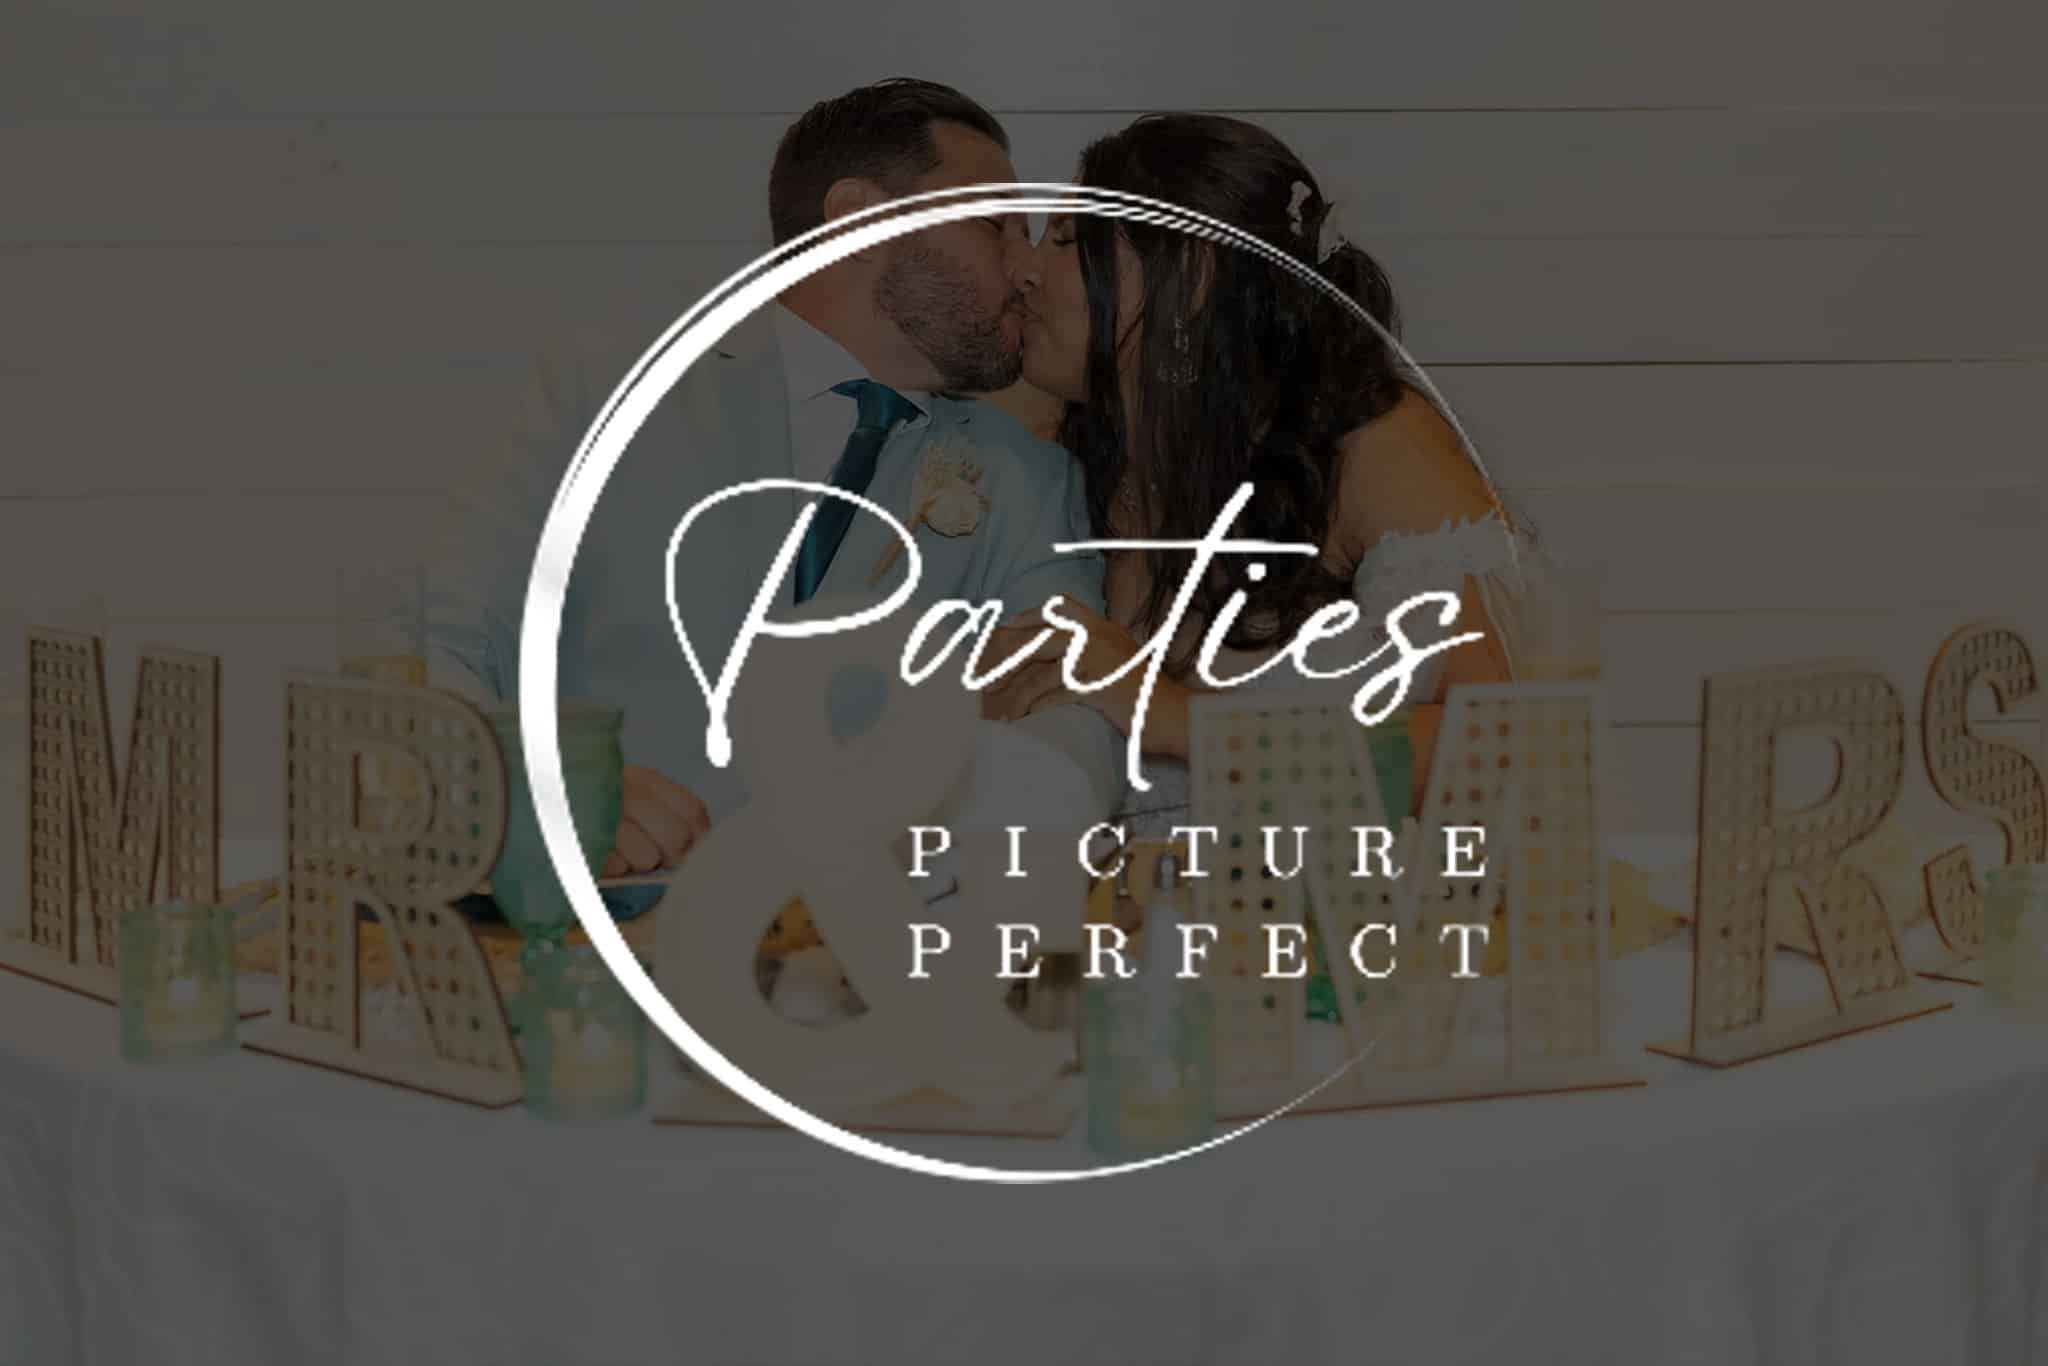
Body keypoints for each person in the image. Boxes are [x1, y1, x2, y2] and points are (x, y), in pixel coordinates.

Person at [424, 78, 1123, 878]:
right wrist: (538, 784)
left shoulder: (1032, 479)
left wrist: (969, 842)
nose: (1027, 269)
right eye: (995, 225)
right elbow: (442, 638)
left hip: (891, 937)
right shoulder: (609, 392)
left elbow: (1073, 719)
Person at [984, 113, 1527, 831]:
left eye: (1066, 239)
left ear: (1191, 278)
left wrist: (1174, 717)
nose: (1023, 268)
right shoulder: (1040, 457)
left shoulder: (1368, 447)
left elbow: (1496, 750)